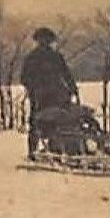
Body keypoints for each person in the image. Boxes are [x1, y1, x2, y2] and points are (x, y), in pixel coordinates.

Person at [20, 26, 78, 158]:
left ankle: (62, 147)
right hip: (42, 97)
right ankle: (33, 152)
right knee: (37, 123)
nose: (45, 43)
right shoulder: (32, 58)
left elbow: (66, 74)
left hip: (57, 95)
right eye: (43, 40)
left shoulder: (55, 57)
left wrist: (72, 88)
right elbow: (24, 79)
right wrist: (34, 88)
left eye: (47, 40)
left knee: (65, 120)